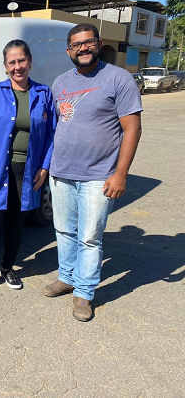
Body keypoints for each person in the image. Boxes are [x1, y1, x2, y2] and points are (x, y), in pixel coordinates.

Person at [42, 23, 142, 322]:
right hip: (61, 172)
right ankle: (67, 276)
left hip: (99, 175)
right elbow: (57, 126)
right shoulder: (60, 82)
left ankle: (84, 293)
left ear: (98, 44)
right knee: (64, 230)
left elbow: (132, 129)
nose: (83, 48)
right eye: (76, 45)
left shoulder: (119, 78)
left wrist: (121, 173)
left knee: (89, 237)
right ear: (68, 50)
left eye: (88, 42)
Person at [0, 39, 56, 300]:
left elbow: (51, 135)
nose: (18, 67)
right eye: (12, 62)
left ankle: (7, 269)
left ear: (30, 62)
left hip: (28, 171)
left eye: (22, 60)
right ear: (5, 66)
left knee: (17, 222)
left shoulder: (43, 94)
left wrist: (44, 167)